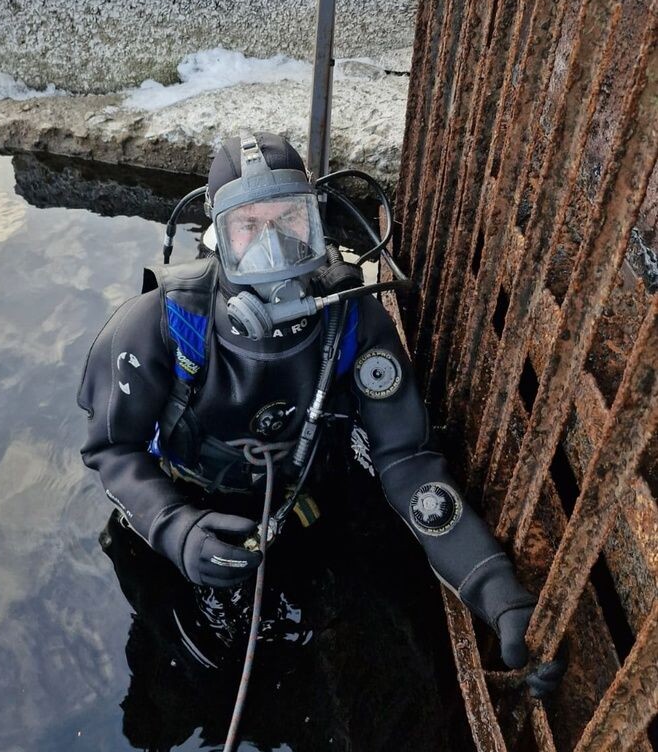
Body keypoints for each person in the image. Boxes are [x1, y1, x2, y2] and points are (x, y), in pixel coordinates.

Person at [77, 132, 564, 695]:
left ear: (316, 223)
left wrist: (495, 588)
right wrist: (175, 529)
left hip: (302, 495)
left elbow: (407, 461)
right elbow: (112, 449)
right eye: (249, 228)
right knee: (179, 661)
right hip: (181, 495)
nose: (272, 250)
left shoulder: (352, 322)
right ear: (217, 238)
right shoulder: (163, 323)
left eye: (288, 222)